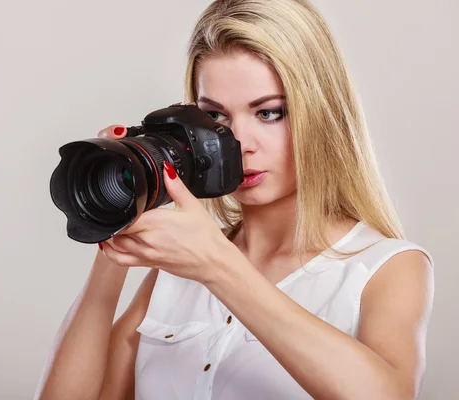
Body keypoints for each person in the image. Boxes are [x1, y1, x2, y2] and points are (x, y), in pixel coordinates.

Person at [34, 0, 435, 399]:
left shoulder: (384, 268)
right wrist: (113, 225)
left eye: (270, 113)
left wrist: (219, 268)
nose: (240, 144)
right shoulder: (175, 272)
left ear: (321, 112)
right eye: (217, 118)